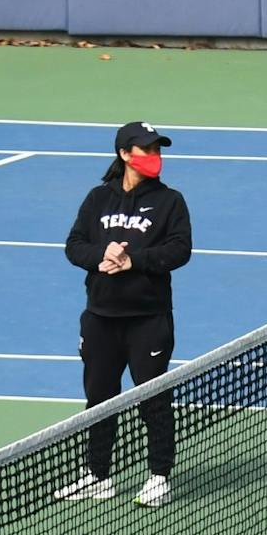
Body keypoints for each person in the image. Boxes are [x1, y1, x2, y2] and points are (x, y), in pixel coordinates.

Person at [56, 121, 192, 507]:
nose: (154, 157)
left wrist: (132, 260)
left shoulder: (171, 202)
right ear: (124, 155)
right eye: (146, 150)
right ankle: (98, 476)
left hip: (148, 320)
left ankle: (159, 476)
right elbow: (74, 245)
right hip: (100, 317)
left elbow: (179, 251)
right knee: (99, 399)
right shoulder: (98, 199)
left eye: (157, 150)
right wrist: (102, 257)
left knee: (153, 399)